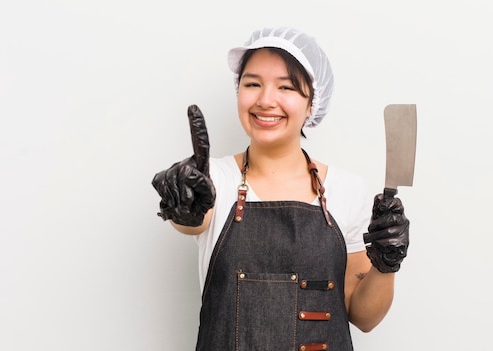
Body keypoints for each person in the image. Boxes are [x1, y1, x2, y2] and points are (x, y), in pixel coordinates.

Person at [152, 27, 410, 351]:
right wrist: (185, 205)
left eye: (286, 87)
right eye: (252, 84)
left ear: (312, 101)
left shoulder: (347, 189)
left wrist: (387, 265)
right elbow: (193, 220)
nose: (265, 100)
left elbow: (364, 317)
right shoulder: (213, 178)